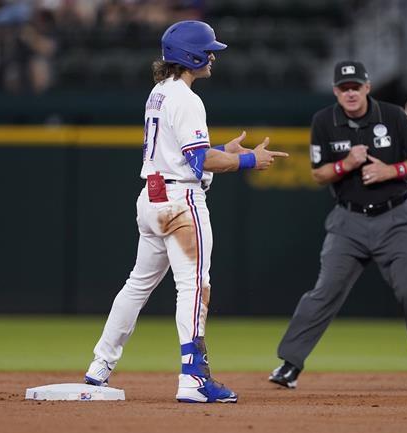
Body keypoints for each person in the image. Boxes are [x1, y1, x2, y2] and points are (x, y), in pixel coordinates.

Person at [83, 20, 288, 404]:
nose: (213, 56)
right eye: (208, 50)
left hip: (152, 199)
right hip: (180, 203)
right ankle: (193, 379)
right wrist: (246, 160)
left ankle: (99, 366)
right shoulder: (188, 99)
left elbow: (186, 153)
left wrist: (223, 151)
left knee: (137, 285)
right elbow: (198, 161)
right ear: (190, 57)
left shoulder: (159, 91)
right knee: (194, 287)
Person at [269, 60, 407, 390]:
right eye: (343, 88)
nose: (350, 93)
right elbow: (318, 173)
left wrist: (391, 171)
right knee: (323, 293)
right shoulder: (324, 121)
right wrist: (345, 164)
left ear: (367, 88)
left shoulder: (392, 116)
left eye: (355, 87)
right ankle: (289, 365)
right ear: (336, 91)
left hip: (396, 219)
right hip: (348, 220)